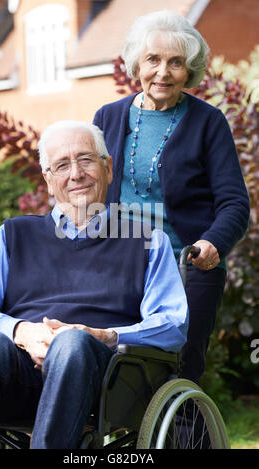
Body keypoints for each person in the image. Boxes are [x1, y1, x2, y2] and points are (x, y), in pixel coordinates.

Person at [0, 120, 188, 449]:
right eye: (62, 165)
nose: (76, 174)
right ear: (49, 182)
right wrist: (21, 332)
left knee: (71, 344)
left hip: (104, 384)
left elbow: (172, 324)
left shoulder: (147, 240)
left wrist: (105, 336)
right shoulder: (13, 235)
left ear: (108, 169)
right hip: (17, 379)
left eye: (86, 159)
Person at [93, 10, 250, 384]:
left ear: (189, 69)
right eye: (153, 60)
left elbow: (235, 204)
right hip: (120, 265)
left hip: (187, 266)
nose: (163, 72)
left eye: (175, 62)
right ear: (137, 64)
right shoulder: (107, 117)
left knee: (177, 371)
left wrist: (213, 242)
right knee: (109, 364)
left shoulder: (208, 122)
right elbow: (86, 189)